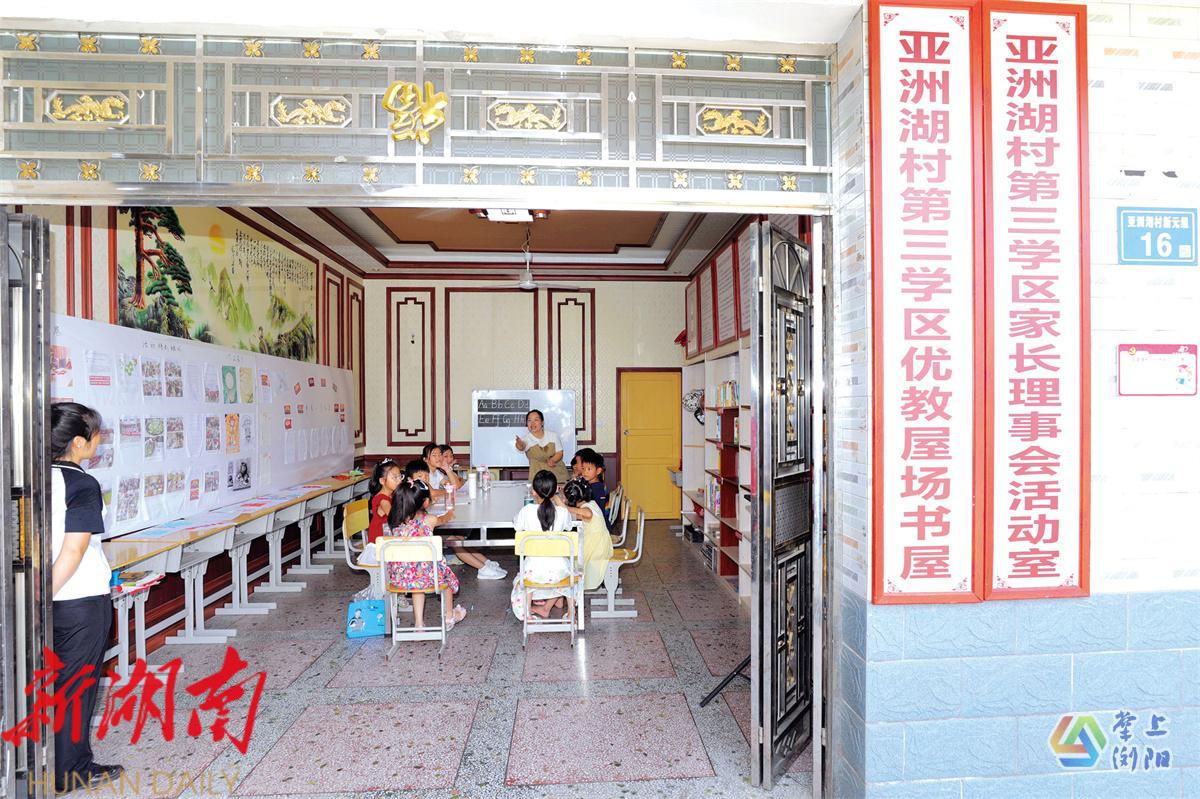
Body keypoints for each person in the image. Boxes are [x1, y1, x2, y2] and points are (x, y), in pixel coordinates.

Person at [49, 402, 124, 792]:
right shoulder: (81, 484)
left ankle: (38, 760)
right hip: (79, 600)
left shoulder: (28, 479)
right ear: (78, 442)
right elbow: (74, 550)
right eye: (96, 434)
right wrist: (42, 598)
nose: (99, 439)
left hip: (37, 598)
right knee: (75, 687)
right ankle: (71, 770)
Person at [403, 459, 507, 580]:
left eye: (426, 476)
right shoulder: (415, 494)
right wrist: (449, 512)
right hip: (423, 539)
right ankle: (483, 569)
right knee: (455, 541)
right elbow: (442, 518)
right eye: (420, 476)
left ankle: (486, 563)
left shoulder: (420, 490)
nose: (424, 479)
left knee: (459, 539)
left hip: (425, 532)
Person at [386, 478, 468, 629]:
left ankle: (419, 625)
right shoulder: (429, 520)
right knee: (447, 580)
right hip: (430, 578)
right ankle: (449, 616)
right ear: (425, 503)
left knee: (417, 585)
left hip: (400, 578)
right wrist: (450, 512)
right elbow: (446, 518)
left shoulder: (394, 522)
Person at [509, 470, 575, 620]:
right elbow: (569, 526)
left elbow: (517, 526)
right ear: (556, 490)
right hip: (561, 572)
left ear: (533, 491)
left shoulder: (526, 511)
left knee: (525, 574)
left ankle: (528, 614)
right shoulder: (562, 513)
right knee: (571, 570)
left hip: (533, 572)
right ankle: (572, 612)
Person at [561, 477, 614, 592]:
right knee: (569, 552)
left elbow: (588, 514)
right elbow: (581, 516)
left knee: (568, 556)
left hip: (596, 547)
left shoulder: (587, 508)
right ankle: (569, 586)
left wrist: (565, 507)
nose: (564, 500)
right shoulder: (590, 503)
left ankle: (569, 586)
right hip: (597, 542)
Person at [514, 409, 569, 482]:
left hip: (558, 475)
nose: (532, 423)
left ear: (542, 422)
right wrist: (519, 444)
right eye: (529, 420)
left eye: (536, 420)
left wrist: (553, 460)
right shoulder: (526, 439)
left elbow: (560, 452)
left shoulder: (553, 435)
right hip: (538, 478)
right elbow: (521, 447)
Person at [366, 460, 401, 544]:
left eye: (400, 477)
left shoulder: (391, 494)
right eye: (395, 477)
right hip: (379, 541)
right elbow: (395, 518)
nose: (399, 481)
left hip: (387, 535)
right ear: (382, 481)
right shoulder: (383, 500)